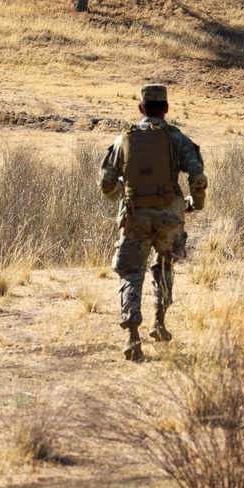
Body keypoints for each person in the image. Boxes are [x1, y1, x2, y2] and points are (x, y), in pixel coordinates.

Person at [99, 84, 207, 362]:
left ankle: (132, 337)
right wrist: (196, 203)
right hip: (170, 215)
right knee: (165, 265)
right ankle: (160, 324)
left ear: (140, 108)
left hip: (135, 214)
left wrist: (121, 199)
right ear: (166, 109)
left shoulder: (124, 139)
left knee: (131, 272)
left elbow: (105, 182)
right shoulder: (177, 138)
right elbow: (196, 174)